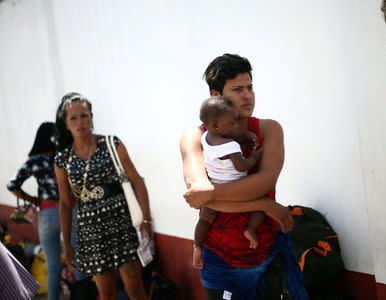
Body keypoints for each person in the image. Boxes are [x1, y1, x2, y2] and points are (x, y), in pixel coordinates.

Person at [180, 54, 309, 300]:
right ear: (216, 95)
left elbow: (264, 182)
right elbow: (199, 194)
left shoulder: (268, 129)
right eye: (237, 89)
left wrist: (210, 194)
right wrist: (263, 203)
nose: (248, 95)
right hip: (219, 259)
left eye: (250, 87)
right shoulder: (195, 138)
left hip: (266, 250)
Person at [53, 92, 151, 300]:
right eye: (74, 118)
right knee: (106, 295)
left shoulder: (111, 144)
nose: (81, 122)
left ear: (92, 117)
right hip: (90, 234)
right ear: (66, 123)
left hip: (121, 226)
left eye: (85, 115)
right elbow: (64, 202)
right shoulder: (62, 159)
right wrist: (67, 243)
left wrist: (145, 220)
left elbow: (138, 181)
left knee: (136, 292)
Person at [6, 122, 87, 300]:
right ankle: (83, 296)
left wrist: (33, 200)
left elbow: (12, 185)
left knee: (53, 267)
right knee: (77, 260)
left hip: (47, 213)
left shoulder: (33, 161)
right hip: (70, 212)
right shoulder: (65, 157)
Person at [193, 96, 264, 269]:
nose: (237, 126)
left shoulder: (205, 137)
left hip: (215, 188)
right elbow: (241, 166)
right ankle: (251, 230)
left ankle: (197, 247)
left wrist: (242, 136)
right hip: (236, 188)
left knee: (205, 220)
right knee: (261, 206)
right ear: (216, 125)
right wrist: (255, 156)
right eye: (232, 123)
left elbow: (223, 145)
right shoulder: (231, 147)